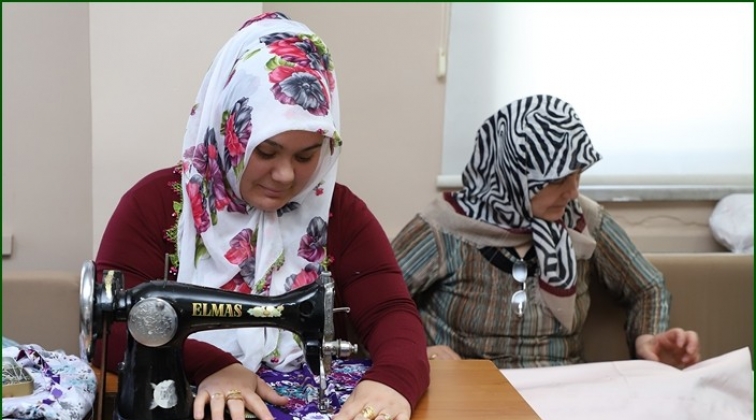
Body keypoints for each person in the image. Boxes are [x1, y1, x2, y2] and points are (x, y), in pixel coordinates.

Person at [94, 12, 429, 420]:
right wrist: (212, 364)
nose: (285, 175)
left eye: (305, 156)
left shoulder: (339, 212)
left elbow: (390, 312)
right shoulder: (156, 203)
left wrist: (392, 380)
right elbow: (108, 325)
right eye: (266, 152)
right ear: (229, 129)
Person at [391, 94, 701, 370]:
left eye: (578, 174)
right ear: (512, 174)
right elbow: (375, 303)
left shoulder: (583, 219)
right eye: (557, 180)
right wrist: (417, 352)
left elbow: (647, 287)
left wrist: (646, 338)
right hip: (472, 392)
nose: (573, 191)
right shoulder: (445, 226)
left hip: (562, 389)